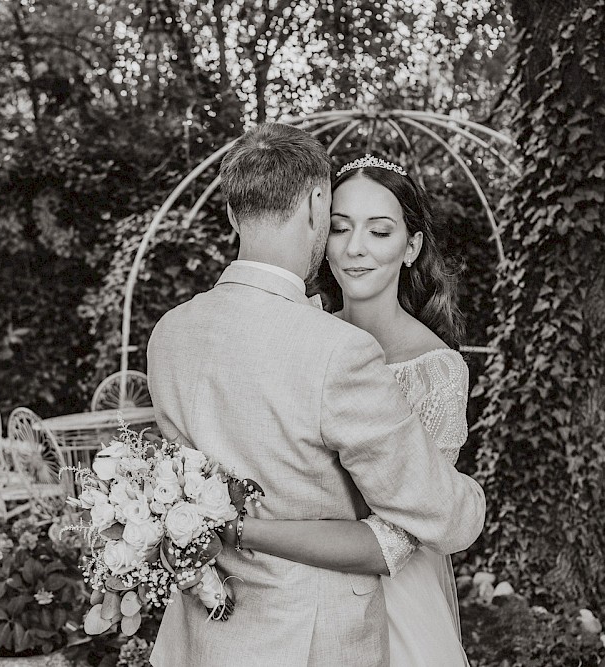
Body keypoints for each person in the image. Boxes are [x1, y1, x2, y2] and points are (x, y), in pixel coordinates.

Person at [146, 123, 485, 667]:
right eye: (340, 226)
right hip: (310, 630)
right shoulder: (330, 346)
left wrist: (224, 526)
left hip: (231, 631)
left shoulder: (169, 332)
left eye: (379, 231)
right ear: (316, 214)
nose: (354, 248)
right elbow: (445, 513)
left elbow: (405, 535)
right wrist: (470, 501)